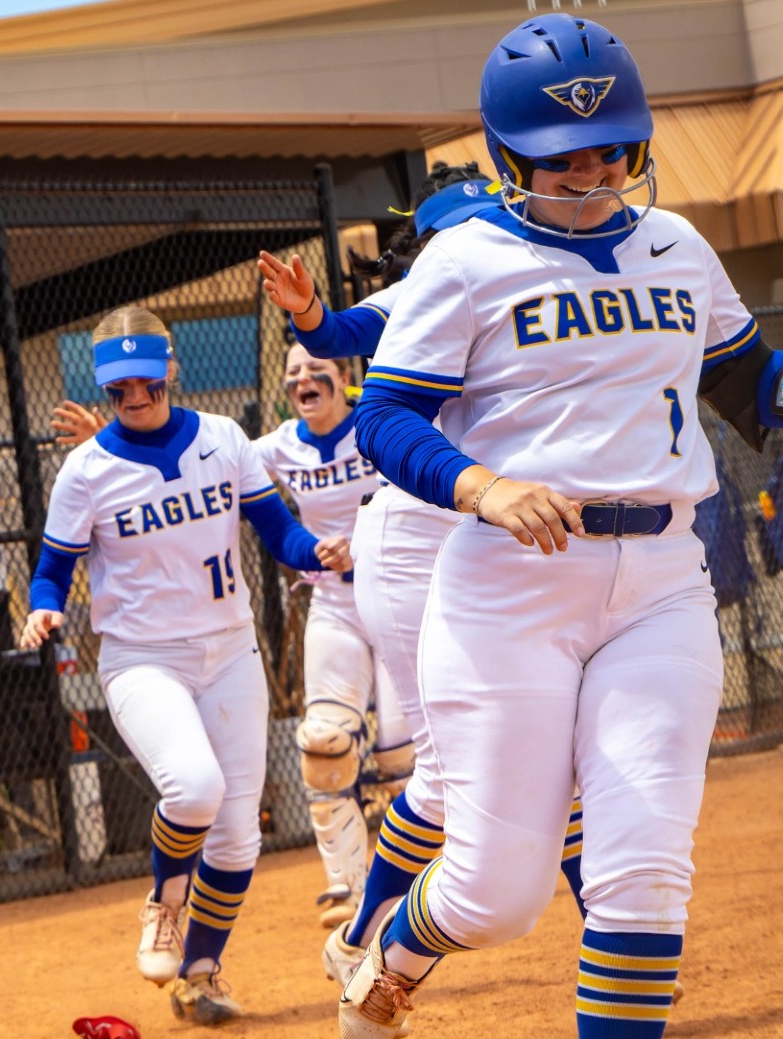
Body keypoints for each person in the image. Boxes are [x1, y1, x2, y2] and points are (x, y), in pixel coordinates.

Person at [338, 15, 783, 1039]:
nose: (591, 173)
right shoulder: (465, 261)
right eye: (562, 158)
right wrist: (482, 486)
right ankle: (399, 950)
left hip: (661, 587)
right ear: (508, 160)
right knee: (496, 895)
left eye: (611, 151)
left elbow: (751, 381)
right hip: (511, 593)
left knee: (642, 871)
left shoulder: (676, 246)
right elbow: (385, 418)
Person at [257, 169, 608, 989]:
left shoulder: (532, 283)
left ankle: (611, 931)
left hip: (492, 535)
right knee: (449, 773)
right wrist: (309, 312)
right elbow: (344, 330)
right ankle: (366, 939)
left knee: (566, 754)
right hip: (415, 540)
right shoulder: (435, 282)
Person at [20, 308, 350, 1026]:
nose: (133, 398)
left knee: (237, 834)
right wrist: (44, 607)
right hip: (144, 659)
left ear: (171, 369)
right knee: (194, 789)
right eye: (118, 389)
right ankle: (165, 905)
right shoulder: (88, 470)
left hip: (230, 649)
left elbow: (275, 529)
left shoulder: (224, 438)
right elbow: (53, 569)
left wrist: (313, 552)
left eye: (145, 382)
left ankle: (200, 973)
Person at [249, 343, 404, 930]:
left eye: (318, 370)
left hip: (395, 596)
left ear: (345, 378)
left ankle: (412, 886)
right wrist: (100, 440)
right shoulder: (281, 444)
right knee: (324, 744)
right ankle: (348, 884)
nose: (304, 379)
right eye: (293, 373)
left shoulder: (375, 424)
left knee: (400, 757)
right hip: (335, 602)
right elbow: (209, 461)